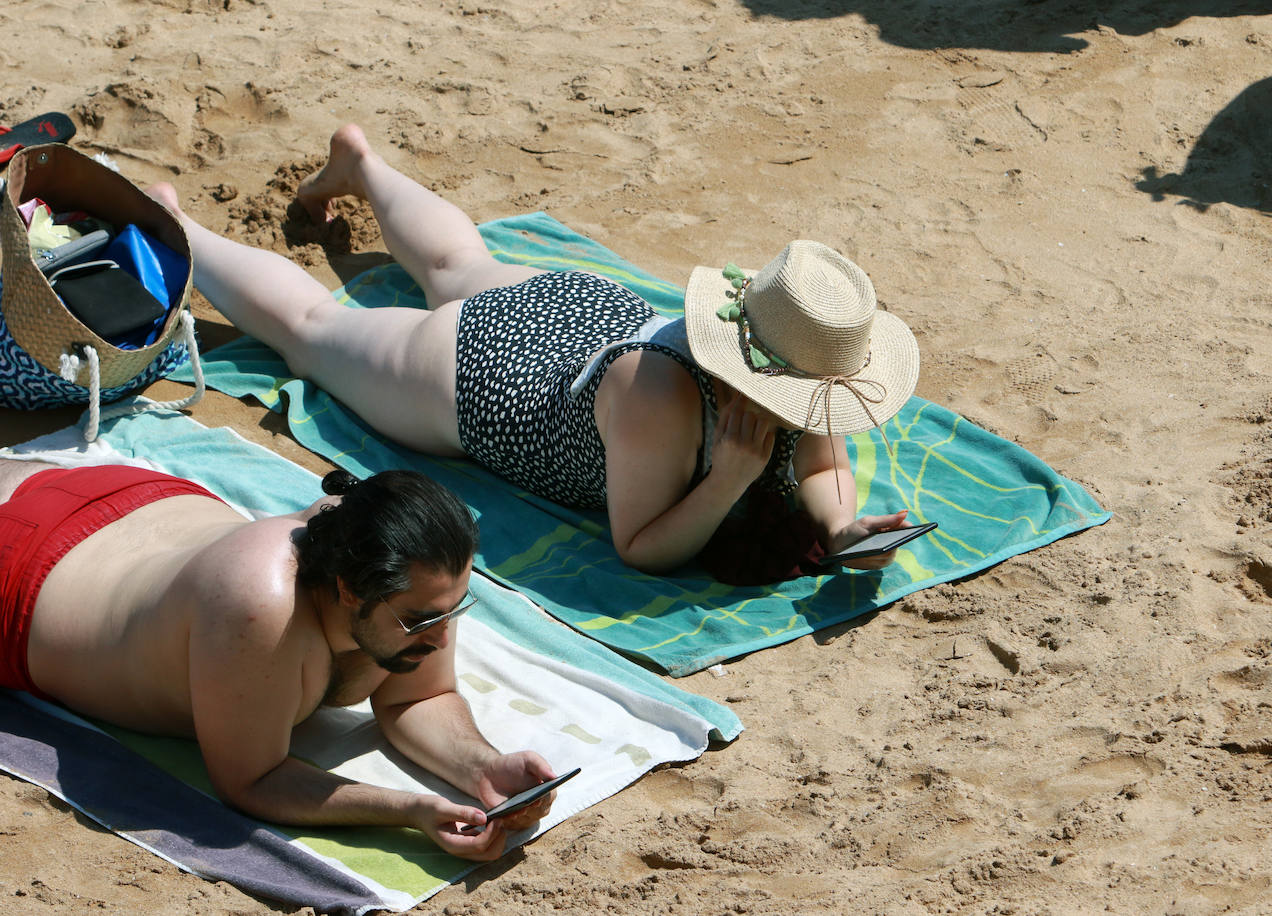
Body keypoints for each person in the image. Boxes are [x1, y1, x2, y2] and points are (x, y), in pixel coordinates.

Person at [147, 124, 922, 577]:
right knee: (311, 333)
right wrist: (728, 483)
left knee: (458, 265)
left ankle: (365, 165)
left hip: (584, 311)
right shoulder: (665, 399)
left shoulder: (803, 355)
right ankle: (175, 229)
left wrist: (843, 528)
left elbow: (824, 464)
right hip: (483, 371)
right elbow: (641, 545)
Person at [0, 458, 556, 860]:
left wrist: (483, 766)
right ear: (346, 591)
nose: (439, 638)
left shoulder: (410, 568)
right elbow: (251, 779)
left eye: (453, 610)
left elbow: (420, 695)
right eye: (420, 621)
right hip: (21, 573)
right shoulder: (260, 606)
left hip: (141, 501)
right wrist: (409, 809)